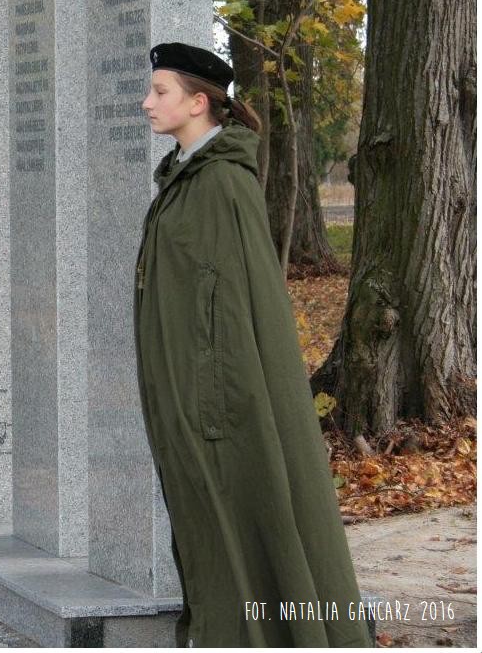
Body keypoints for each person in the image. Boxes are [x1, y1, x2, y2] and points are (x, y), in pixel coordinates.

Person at [135, 42, 371, 647]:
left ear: (198, 102)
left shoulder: (222, 184)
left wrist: (213, 395)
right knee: (212, 520)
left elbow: (243, 309)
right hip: (192, 387)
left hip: (220, 395)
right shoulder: (185, 177)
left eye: (159, 91)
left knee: (246, 509)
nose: (147, 103)